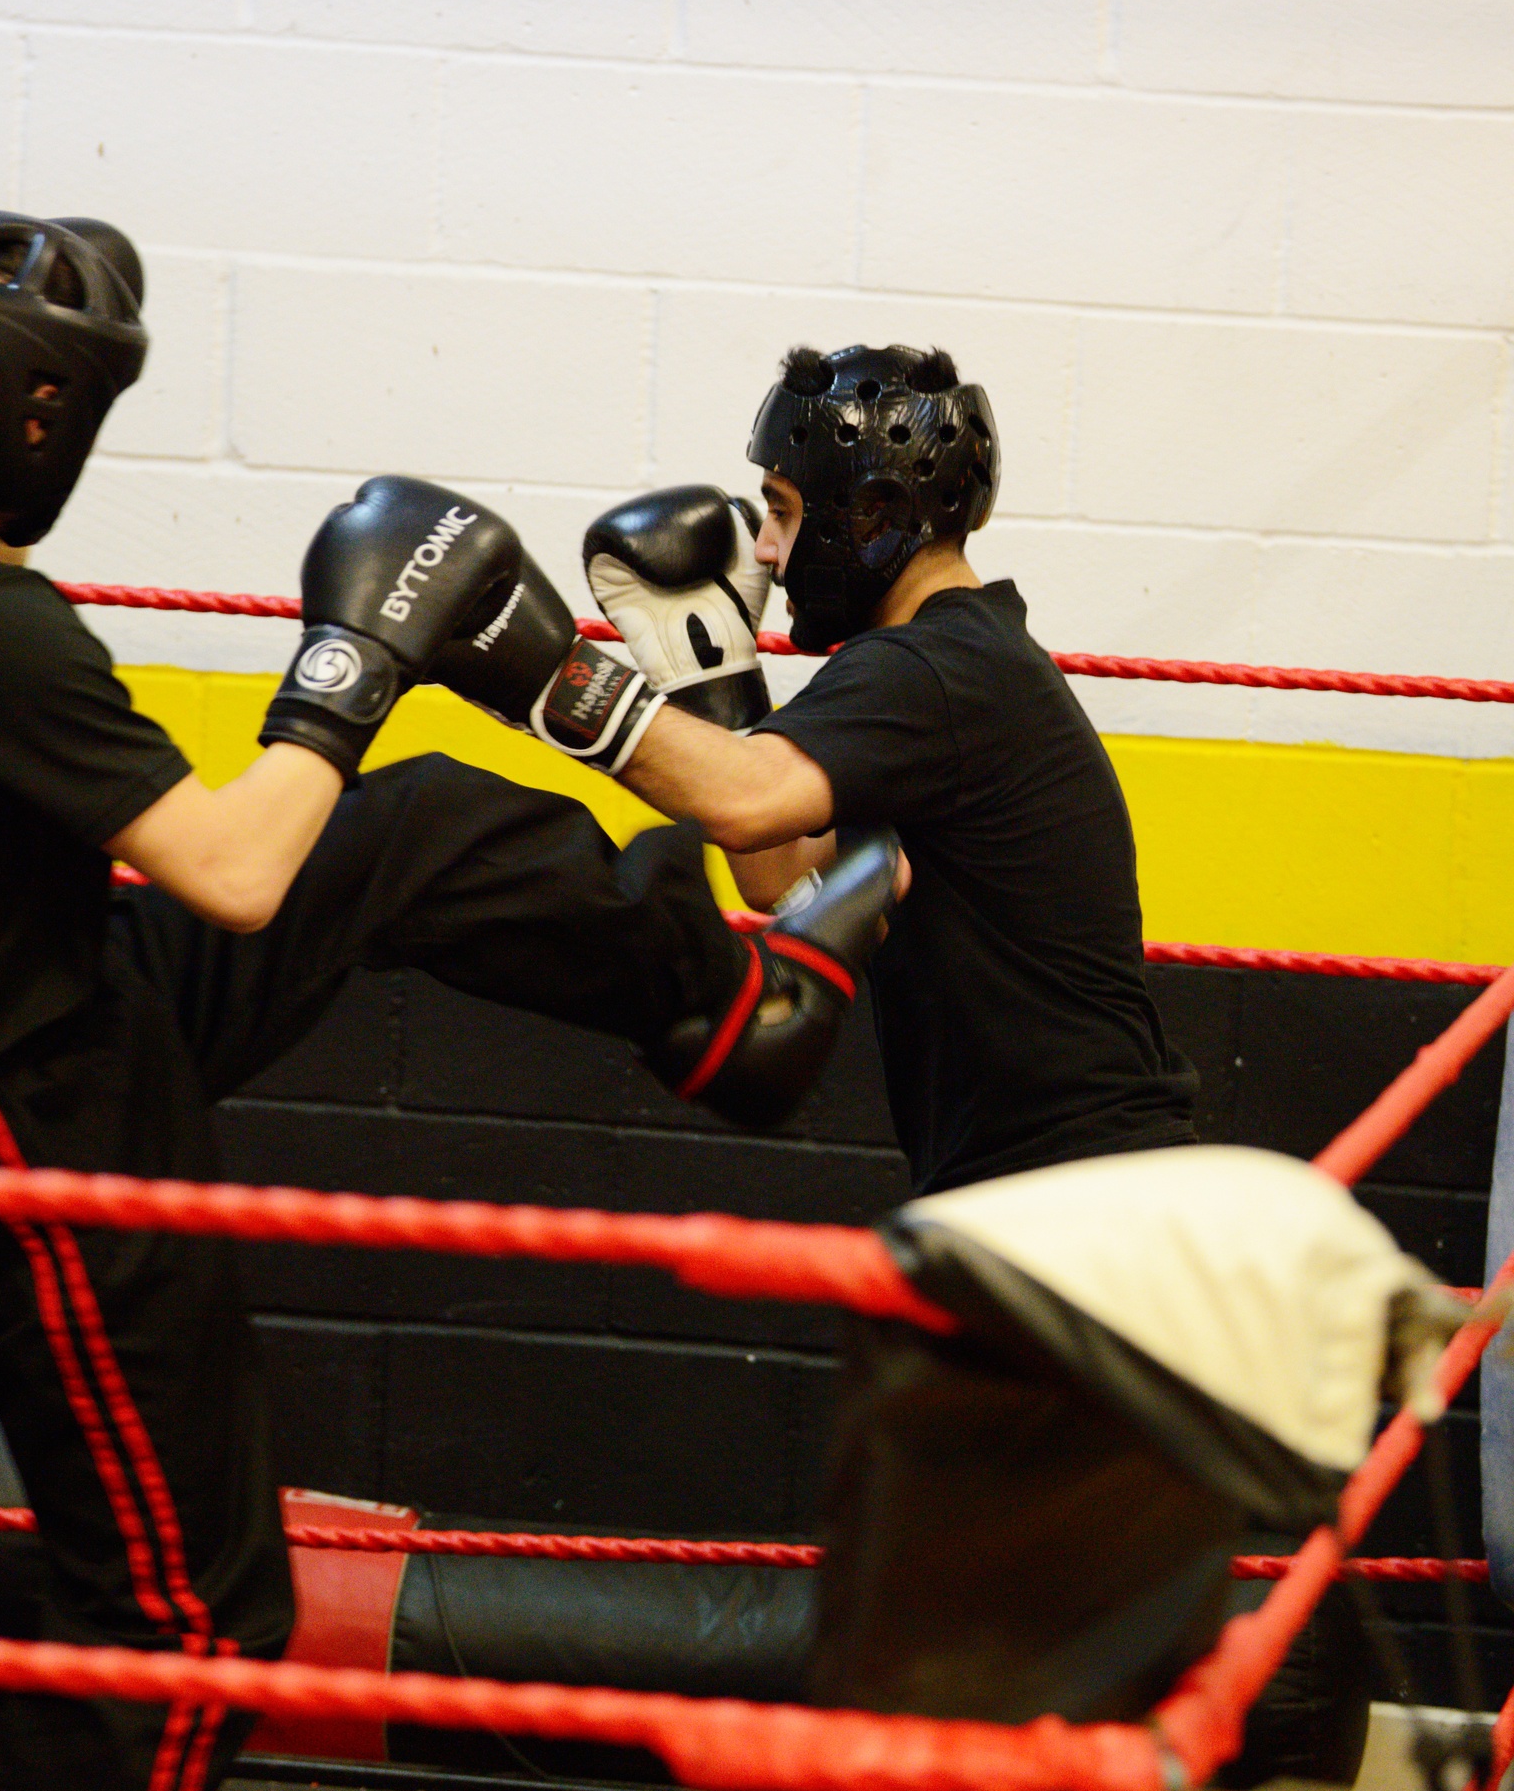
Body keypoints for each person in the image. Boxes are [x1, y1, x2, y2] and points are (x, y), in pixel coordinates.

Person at [0, 210, 900, 1791]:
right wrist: (354, 663)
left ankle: (739, 1016)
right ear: (35, 414)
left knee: (408, 831)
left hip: (65, 998)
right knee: (186, 1618)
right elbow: (231, 870)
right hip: (25, 1132)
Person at [429, 341, 1196, 1198]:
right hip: (1054, 1173)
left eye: (781, 511)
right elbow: (777, 874)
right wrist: (712, 685)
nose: (763, 549)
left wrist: (540, 671)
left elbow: (744, 799)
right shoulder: (955, 660)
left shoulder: (934, 668)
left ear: (870, 517)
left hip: (1085, 1182)